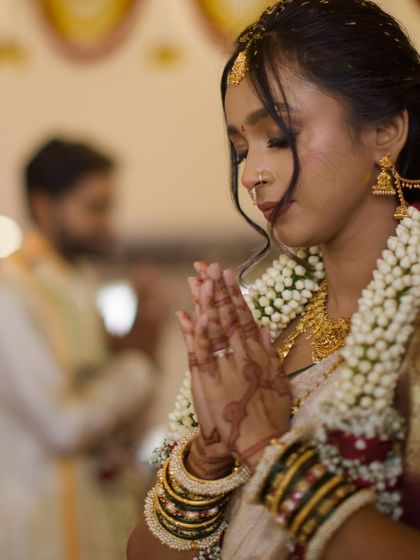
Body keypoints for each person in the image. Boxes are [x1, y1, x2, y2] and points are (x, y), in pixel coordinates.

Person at [127, 1, 420, 559]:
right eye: (241, 148)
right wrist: (205, 458)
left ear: (386, 130)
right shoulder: (275, 325)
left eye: (279, 137)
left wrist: (267, 450)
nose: (251, 173)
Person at [0, 138, 167, 560]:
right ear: (44, 206)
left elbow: (107, 408)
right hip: (38, 530)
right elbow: (62, 426)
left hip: (97, 512)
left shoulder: (78, 282)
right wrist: (137, 361)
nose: (107, 223)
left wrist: (132, 346)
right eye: (94, 208)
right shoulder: (10, 291)